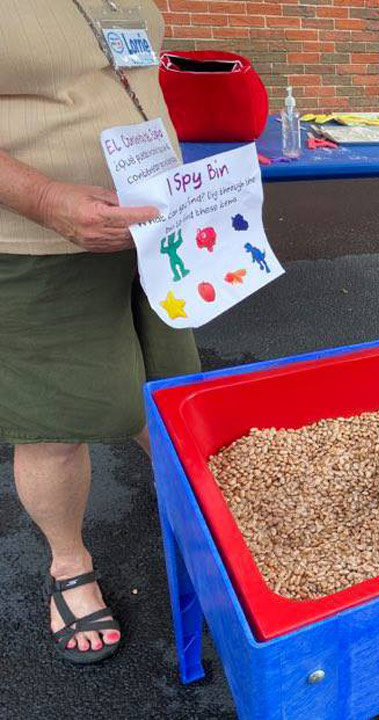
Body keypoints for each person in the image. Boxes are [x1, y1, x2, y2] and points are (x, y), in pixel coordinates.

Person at [0, 1, 200, 663]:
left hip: (152, 223)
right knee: (55, 424)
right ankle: (68, 564)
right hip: (36, 241)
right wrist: (45, 197)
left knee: (168, 389)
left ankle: (201, 515)